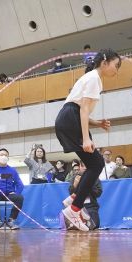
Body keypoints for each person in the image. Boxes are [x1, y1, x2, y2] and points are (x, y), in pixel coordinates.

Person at [55, 48, 121, 231]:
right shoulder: (93, 78)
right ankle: (74, 208)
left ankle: (74, 199)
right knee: (96, 164)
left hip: (69, 118)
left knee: (95, 164)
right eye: (116, 65)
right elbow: (82, 110)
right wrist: (86, 138)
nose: (117, 70)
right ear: (105, 62)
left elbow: (77, 109)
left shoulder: (93, 78)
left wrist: (97, 124)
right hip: (71, 119)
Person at [66, 163, 102, 230]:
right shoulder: (75, 178)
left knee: (95, 226)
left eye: (87, 166)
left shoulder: (95, 178)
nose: (85, 168)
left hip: (91, 207)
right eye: (83, 166)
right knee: (74, 229)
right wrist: (75, 185)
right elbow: (71, 192)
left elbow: (98, 193)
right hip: (77, 208)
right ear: (80, 167)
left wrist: (89, 184)